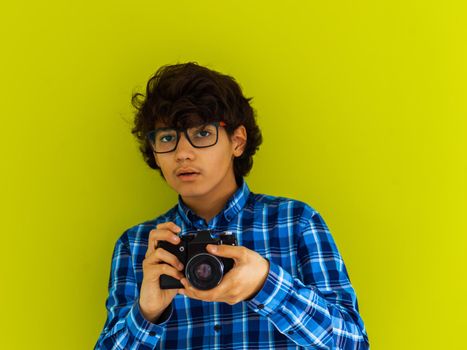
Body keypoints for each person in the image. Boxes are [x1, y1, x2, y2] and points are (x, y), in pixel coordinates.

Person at [95, 62, 370, 349]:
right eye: (167, 138)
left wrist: (266, 283)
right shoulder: (139, 245)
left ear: (237, 141)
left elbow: (353, 343)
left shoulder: (296, 222)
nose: (182, 154)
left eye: (201, 133)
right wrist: (147, 313)